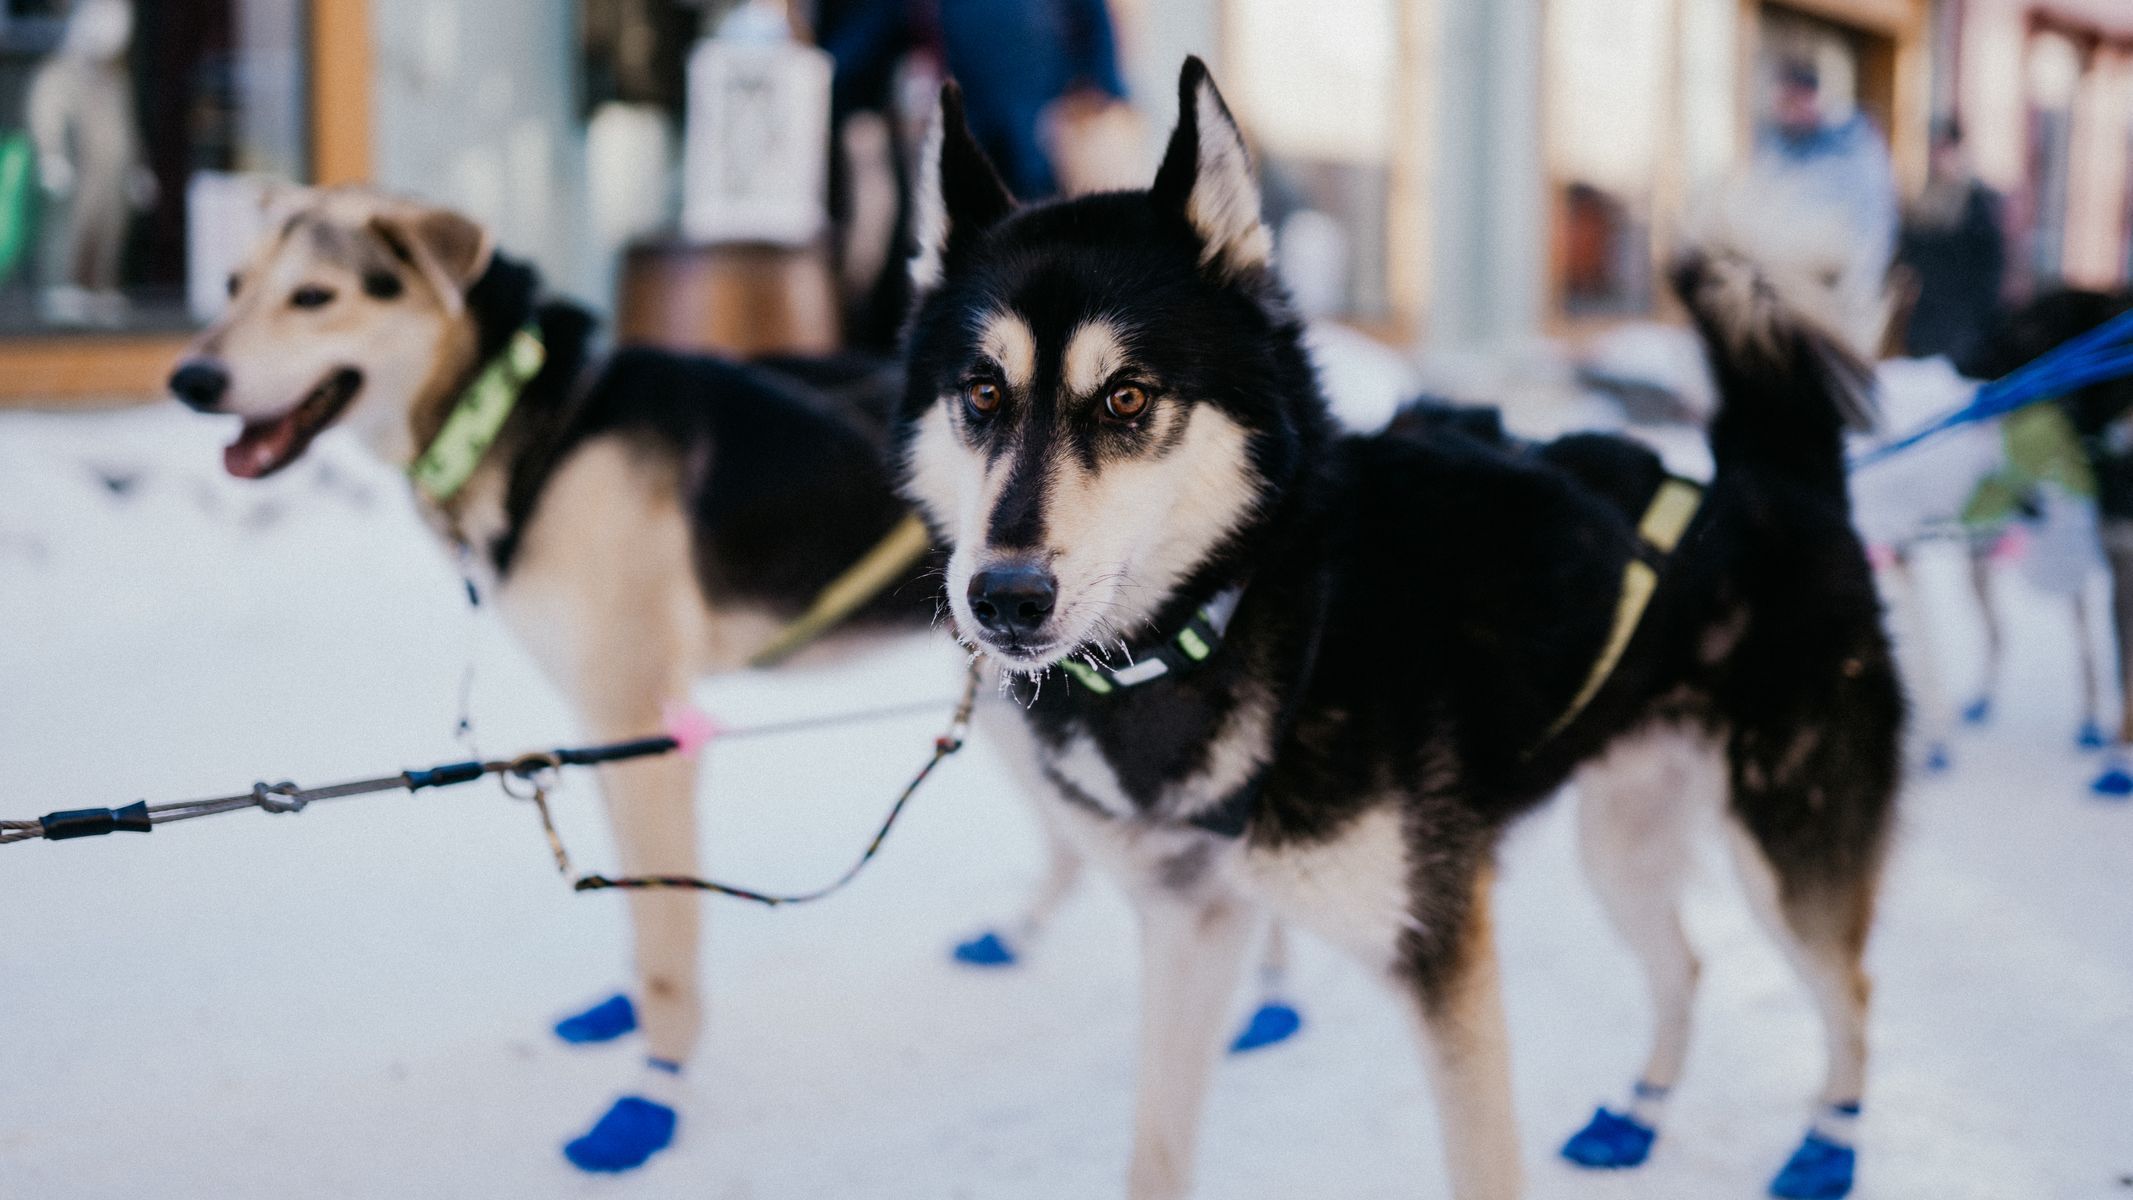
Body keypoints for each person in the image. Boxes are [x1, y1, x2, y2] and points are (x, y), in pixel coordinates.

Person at [1749, 59, 1899, 337]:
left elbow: (1872, 228)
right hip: (1785, 295)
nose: (1785, 114)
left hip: (1838, 298)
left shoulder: (1853, 150)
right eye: (1782, 105)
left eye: (1792, 103)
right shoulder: (1779, 146)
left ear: (1811, 98)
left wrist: (1856, 297)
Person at [1898, 119, 2007, 365]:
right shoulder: (1925, 200)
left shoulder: (1977, 204)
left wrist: (1981, 316)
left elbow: (1990, 265)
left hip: (1962, 322)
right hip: (1927, 315)